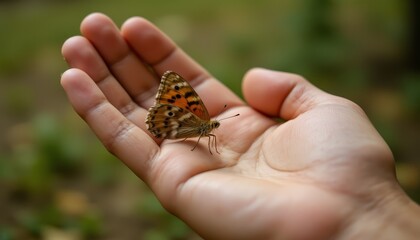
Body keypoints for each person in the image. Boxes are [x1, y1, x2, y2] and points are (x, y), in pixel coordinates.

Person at [60, 13, 420, 239]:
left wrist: (361, 217)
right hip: (167, 124)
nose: (214, 126)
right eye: (213, 124)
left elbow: (210, 134)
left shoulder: (206, 127)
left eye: (213, 125)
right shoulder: (199, 121)